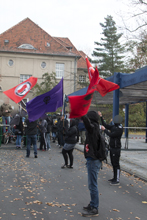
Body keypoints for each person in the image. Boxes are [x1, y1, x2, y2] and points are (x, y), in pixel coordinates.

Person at [81, 111, 102, 217]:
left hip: (93, 160)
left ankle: (95, 208)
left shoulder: (93, 128)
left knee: (93, 185)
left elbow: (87, 123)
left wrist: (82, 113)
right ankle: (93, 204)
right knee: (91, 184)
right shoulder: (95, 127)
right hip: (93, 159)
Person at [98, 111, 123, 185]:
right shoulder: (114, 126)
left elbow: (111, 134)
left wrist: (104, 130)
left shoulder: (119, 129)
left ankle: (117, 179)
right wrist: (101, 117)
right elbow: (105, 125)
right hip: (112, 147)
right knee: (113, 163)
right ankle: (114, 177)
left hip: (116, 148)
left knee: (116, 164)